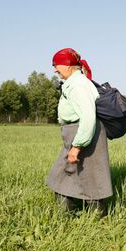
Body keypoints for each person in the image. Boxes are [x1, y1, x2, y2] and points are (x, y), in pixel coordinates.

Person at [46, 48, 112, 215]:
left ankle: (93, 221)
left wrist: (77, 146)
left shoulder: (79, 84)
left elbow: (88, 116)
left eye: (56, 65)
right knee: (79, 177)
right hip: (78, 132)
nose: (54, 69)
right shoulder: (75, 83)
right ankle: (76, 217)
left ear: (67, 65)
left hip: (83, 133)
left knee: (81, 178)